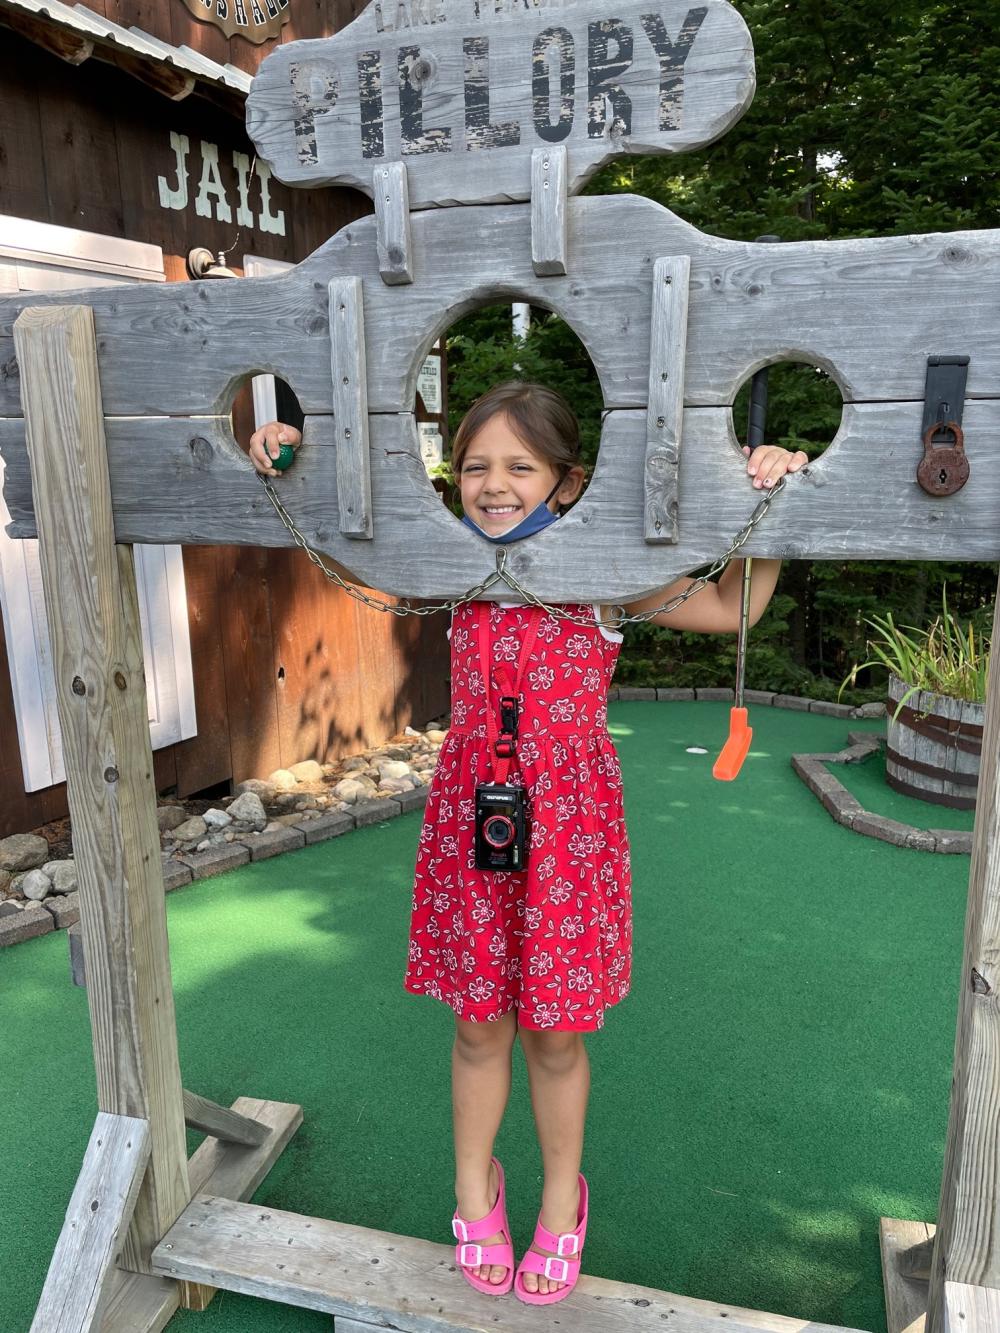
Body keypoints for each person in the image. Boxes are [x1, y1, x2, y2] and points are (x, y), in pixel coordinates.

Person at [248, 385, 806, 1305]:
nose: (494, 485)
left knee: (554, 1030)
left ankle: (558, 1200)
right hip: (476, 827)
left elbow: (733, 607)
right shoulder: (448, 564)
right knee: (479, 1022)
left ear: (565, 481)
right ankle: (476, 1189)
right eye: (475, 466)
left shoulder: (603, 575)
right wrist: (291, 458)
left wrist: (779, 503)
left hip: (569, 834)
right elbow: (340, 543)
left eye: (520, 467)